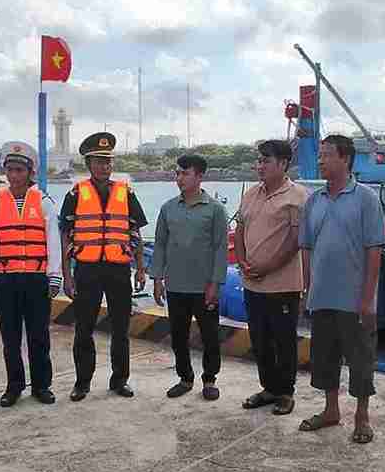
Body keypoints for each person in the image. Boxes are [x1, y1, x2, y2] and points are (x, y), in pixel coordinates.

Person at [298, 133, 385, 443]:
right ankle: (331, 410)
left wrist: (368, 299)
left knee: (361, 359)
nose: (320, 160)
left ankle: (362, 416)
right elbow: (306, 247)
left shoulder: (366, 199)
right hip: (322, 296)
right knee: (325, 357)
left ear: (345, 159)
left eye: (326, 155)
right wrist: (307, 289)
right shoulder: (314, 201)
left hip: (354, 299)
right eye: (319, 155)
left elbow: (374, 249)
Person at [59, 131, 147, 399]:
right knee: (84, 328)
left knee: (121, 328)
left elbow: (135, 232)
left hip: (119, 269)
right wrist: (67, 276)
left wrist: (141, 267)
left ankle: (120, 380)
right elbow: (65, 235)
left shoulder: (126, 193)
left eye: (108, 162)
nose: (104, 166)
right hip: (87, 270)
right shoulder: (75, 193)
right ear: (88, 164)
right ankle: (82, 382)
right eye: (98, 161)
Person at [0, 142, 62, 406]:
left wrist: (54, 275)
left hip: (36, 279)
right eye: (10, 169)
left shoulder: (44, 202)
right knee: (10, 338)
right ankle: (13, 387)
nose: (14, 175)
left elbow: (53, 241)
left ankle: (41, 386)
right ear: (5, 172)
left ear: (29, 172)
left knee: (39, 336)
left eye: (20, 170)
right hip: (6, 279)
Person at [233, 139, 308, 415]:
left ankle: (286, 392)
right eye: (259, 160)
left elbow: (295, 240)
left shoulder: (299, 196)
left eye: (265, 161)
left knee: (284, 341)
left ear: (283, 164)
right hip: (252, 283)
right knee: (260, 340)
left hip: (283, 285)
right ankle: (269, 388)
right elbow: (240, 230)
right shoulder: (251, 194)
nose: (259, 166)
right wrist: (241, 262)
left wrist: (268, 267)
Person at [152, 152, 231, 400]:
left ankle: (209, 379)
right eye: (178, 173)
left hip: (204, 286)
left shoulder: (215, 210)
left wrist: (215, 283)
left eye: (185, 173)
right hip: (175, 285)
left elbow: (221, 248)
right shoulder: (168, 209)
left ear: (199, 176)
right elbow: (160, 244)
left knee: (209, 335)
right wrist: (157, 278)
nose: (180, 178)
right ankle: (185, 378)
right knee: (178, 335)